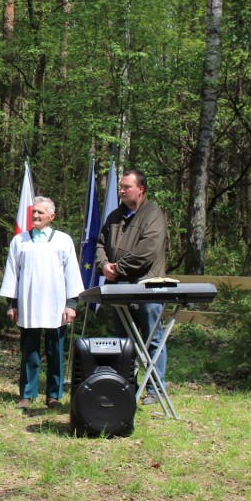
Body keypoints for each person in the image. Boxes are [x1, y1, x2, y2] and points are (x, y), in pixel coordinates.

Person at [0, 197, 84, 410]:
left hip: (56, 305)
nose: (35, 216)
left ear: (51, 217)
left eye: (40, 213)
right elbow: (12, 274)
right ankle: (27, 394)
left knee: (55, 350)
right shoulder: (20, 241)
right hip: (28, 305)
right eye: (34, 212)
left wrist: (71, 304)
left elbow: (72, 273)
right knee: (30, 351)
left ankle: (54, 394)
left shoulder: (63, 240)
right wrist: (12, 304)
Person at [94, 169, 168, 406]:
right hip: (119, 286)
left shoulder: (154, 214)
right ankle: (125, 386)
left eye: (127, 187)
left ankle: (155, 389)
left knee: (152, 338)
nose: (122, 191)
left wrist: (118, 267)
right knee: (123, 340)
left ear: (141, 189)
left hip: (148, 286)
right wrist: (104, 265)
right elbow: (100, 244)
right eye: (122, 187)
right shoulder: (115, 216)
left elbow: (147, 251)